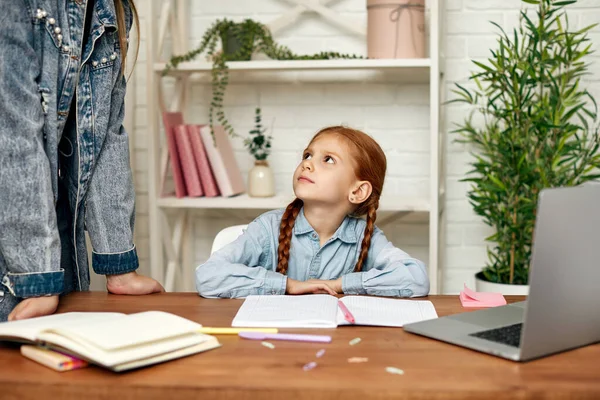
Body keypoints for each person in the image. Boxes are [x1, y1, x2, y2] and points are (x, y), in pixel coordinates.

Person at [0, 0, 163, 322]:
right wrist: (37, 277)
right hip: (17, 247)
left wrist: (119, 266)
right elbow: (11, 136)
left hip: (51, 243)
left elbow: (105, 139)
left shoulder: (112, 10)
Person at [196, 126, 429, 298]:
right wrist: (287, 284)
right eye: (308, 155)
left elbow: (416, 278)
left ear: (358, 192)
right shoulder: (268, 228)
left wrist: (341, 284)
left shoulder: (364, 237)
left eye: (328, 159)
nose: (307, 163)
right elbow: (208, 276)